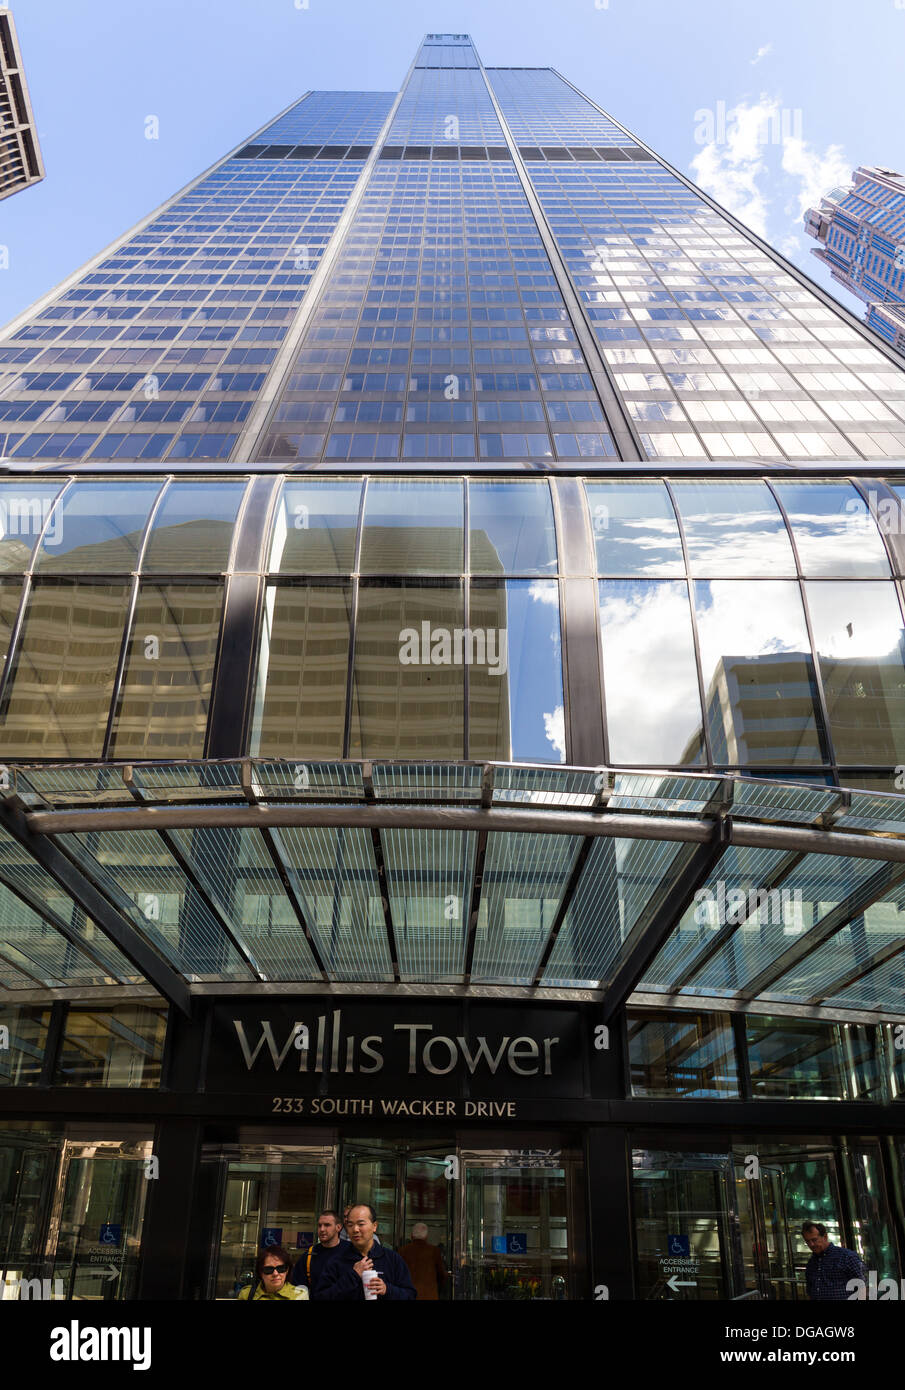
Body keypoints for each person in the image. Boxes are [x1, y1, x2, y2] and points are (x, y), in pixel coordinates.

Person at [317, 1203, 416, 1300]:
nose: (355, 1229)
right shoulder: (337, 1260)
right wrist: (353, 1276)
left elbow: (410, 1295)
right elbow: (321, 1296)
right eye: (350, 1225)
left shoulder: (392, 1259)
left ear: (374, 1226)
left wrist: (387, 1289)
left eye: (361, 1224)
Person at [801, 1221, 867, 1300]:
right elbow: (810, 1290)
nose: (811, 1244)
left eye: (814, 1240)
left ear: (825, 1237)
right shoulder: (811, 1263)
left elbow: (864, 1284)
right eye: (808, 1241)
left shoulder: (846, 1256)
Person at [289, 1210, 344, 1297]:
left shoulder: (350, 1250)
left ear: (338, 1227)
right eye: (319, 1225)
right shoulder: (309, 1255)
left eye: (327, 1225)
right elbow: (298, 1289)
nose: (322, 1229)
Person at [238, 1245, 310, 1301]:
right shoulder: (247, 1294)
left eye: (281, 1269)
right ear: (260, 1272)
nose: (275, 1274)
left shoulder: (299, 1296)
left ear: (287, 1270)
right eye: (269, 1269)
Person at [397, 1223, 447, 1301]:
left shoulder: (403, 1251)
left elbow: (397, 1274)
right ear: (426, 1237)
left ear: (412, 1236)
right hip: (429, 1295)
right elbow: (441, 1274)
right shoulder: (434, 1251)